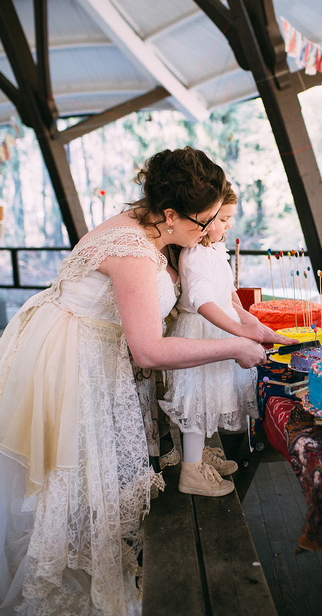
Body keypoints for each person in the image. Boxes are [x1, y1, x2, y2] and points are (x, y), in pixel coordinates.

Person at [0, 147, 268, 615]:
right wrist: (235, 346)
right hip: (72, 359)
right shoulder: (134, 255)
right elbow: (148, 349)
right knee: (71, 480)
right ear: (170, 213)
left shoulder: (145, 223)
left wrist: (243, 322)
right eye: (202, 222)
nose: (206, 233)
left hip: (83, 343)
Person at [160, 185, 294, 497]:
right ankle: (191, 471)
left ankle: (198, 454)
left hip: (219, 330)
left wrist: (259, 328)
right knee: (195, 402)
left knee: (209, 398)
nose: (229, 225)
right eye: (224, 219)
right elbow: (203, 301)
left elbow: (230, 302)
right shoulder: (194, 256)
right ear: (205, 222)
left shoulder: (215, 251)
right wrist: (240, 332)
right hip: (200, 333)